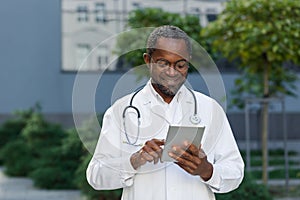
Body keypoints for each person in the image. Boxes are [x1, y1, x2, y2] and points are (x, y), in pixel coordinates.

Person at [86, 25, 244, 200]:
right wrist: (134, 161)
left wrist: (207, 170)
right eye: (163, 63)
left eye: (180, 65)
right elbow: (96, 176)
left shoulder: (210, 109)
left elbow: (235, 171)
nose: (172, 72)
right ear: (148, 60)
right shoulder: (121, 110)